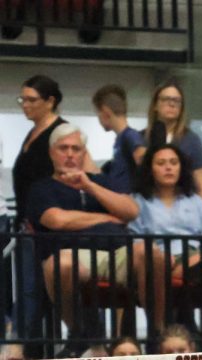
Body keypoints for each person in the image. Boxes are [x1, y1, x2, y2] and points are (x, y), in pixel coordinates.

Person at [26, 123, 139, 338]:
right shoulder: (41, 188)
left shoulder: (100, 182)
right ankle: (79, 335)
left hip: (117, 254)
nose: (70, 154)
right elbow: (58, 220)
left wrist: (89, 186)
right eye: (63, 148)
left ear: (84, 153)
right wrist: (106, 217)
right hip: (72, 258)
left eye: (76, 149)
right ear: (52, 153)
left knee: (152, 256)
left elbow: (131, 211)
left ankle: (152, 337)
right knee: (62, 265)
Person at [128, 144, 202, 336]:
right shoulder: (138, 201)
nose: (168, 168)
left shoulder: (195, 200)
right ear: (150, 169)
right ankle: (194, 267)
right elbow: (134, 237)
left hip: (199, 253)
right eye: (161, 163)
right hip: (162, 259)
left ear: (181, 168)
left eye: (173, 162)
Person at [12, 74, 67, 350]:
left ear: (50, 101)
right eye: (22, 99)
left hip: (46, 228)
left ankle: (26, 354)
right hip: (28, 225)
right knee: (27, 292)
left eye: (32, 100)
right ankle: (28, 352)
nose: (25, 105)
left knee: (36, 292)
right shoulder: (32, 132)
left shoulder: (60, 133)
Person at [144, 79, 202, 202]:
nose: (172, 104)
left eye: (177, 101)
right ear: (155, 105)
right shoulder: (140, 139)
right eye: (166, 99)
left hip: (183, 208)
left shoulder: (191, 140)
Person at [92, 83, 146, 194]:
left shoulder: (130, 136)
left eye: (98, 114)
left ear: (105, 113)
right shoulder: (120, 140)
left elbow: (144, 162)